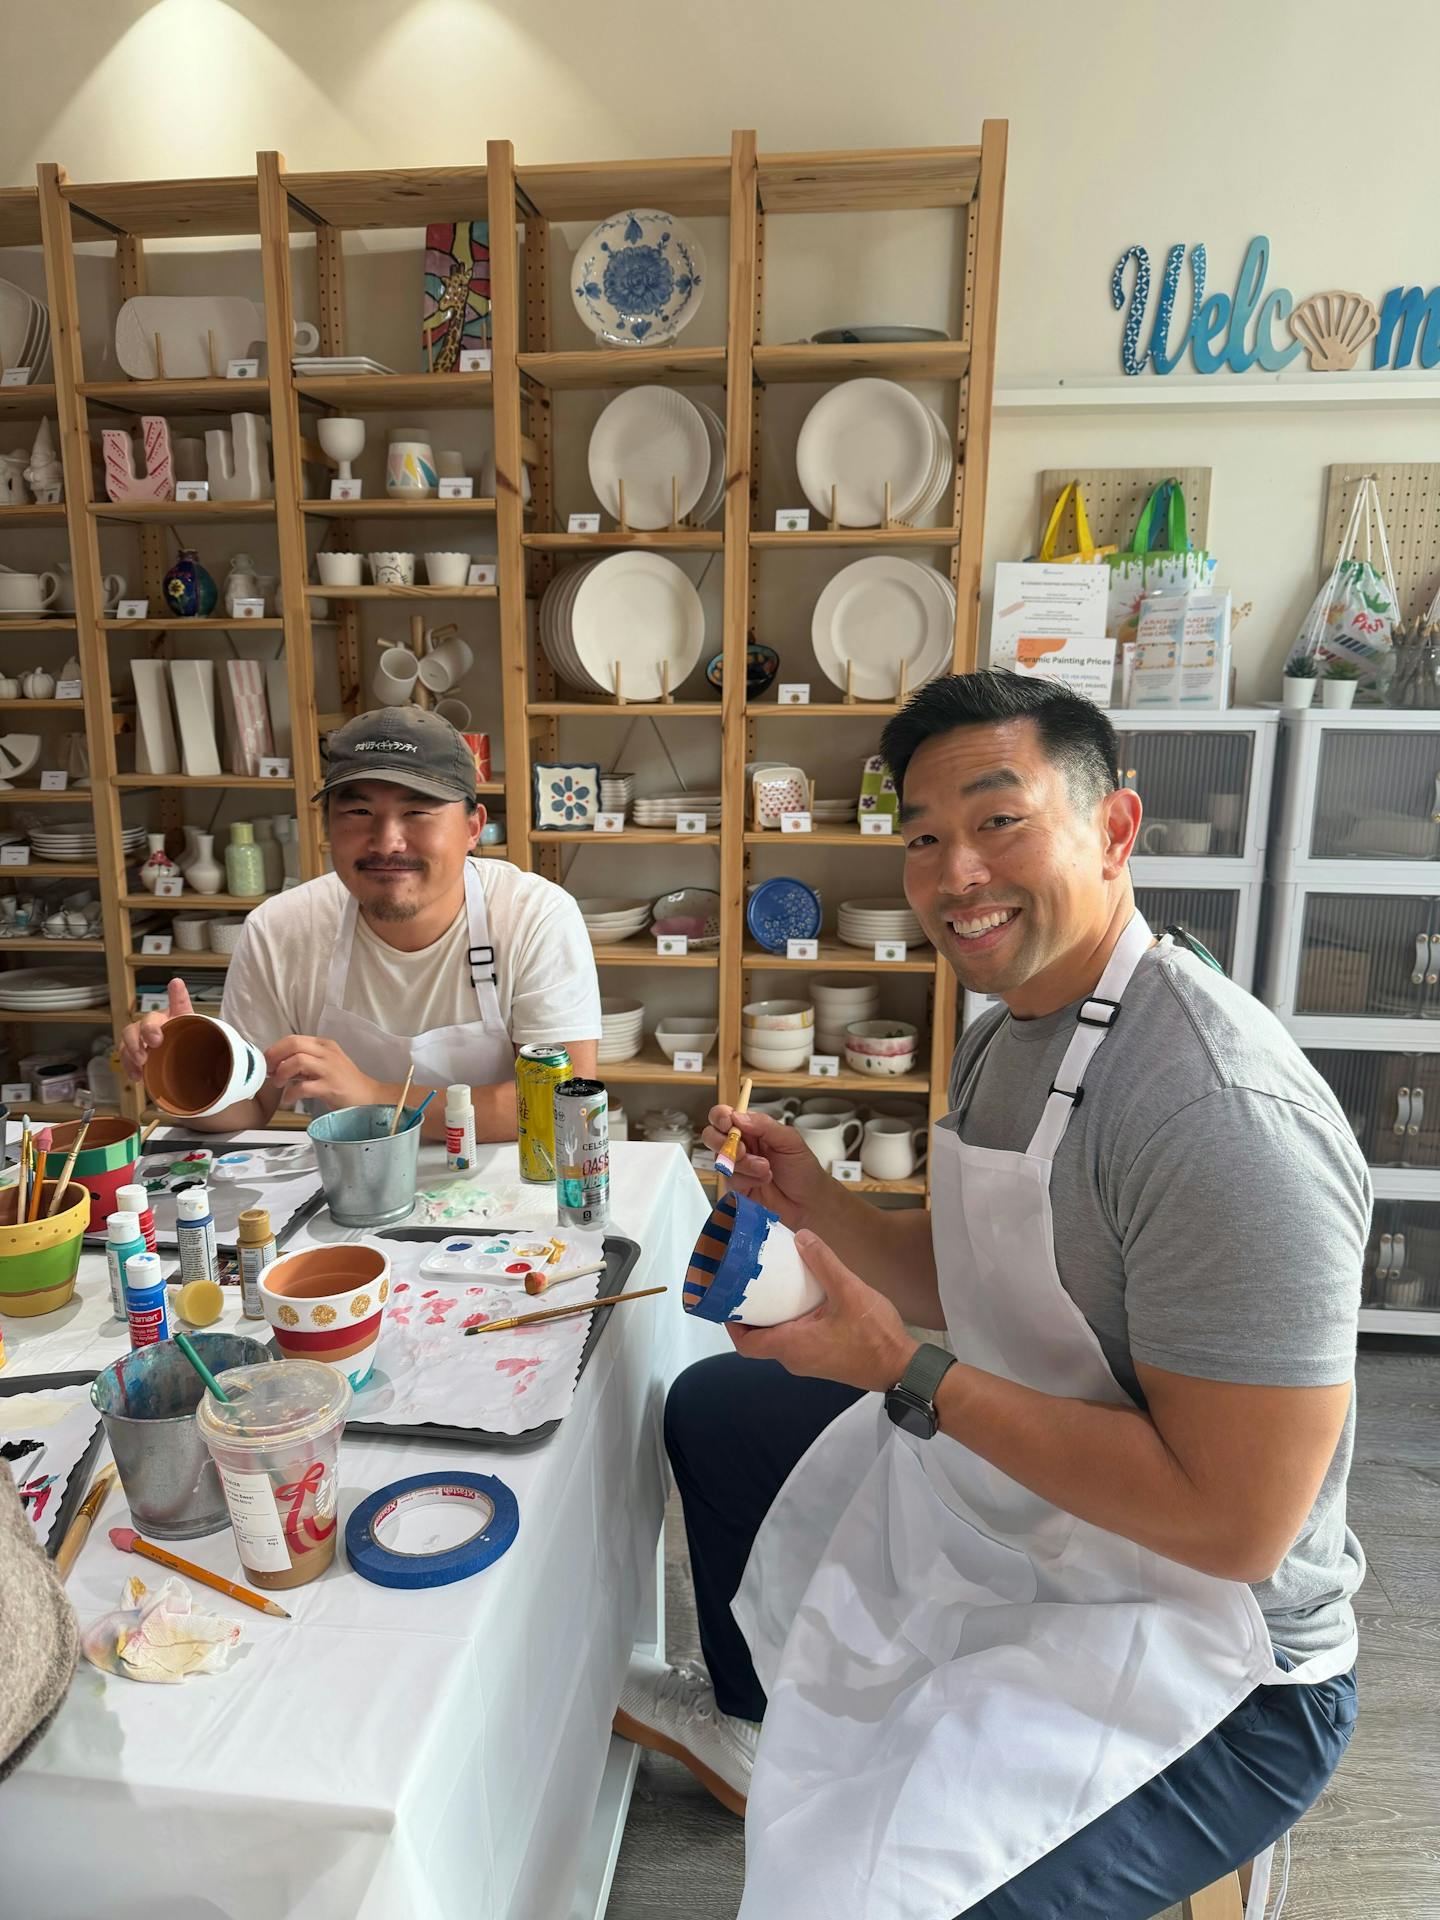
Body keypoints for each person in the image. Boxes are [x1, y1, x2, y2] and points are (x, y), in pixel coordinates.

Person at [617, 671, 1366, 1919]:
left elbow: (1234, 1526)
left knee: (873, 1897)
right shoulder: (1011, 1026)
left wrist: (903, 1370)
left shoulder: (1220, 1118)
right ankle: (754, 1728)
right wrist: (821, 1206)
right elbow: (980, 1267)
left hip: (1224, 1647)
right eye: (922, 838)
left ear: (1115, 829)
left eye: (999, 821)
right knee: (719, 1410)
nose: (954, 874)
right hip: (1034, 1491)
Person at [120, 708, 600, 1140]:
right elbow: (252, 1106)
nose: (387, 841)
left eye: (416, 812)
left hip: (506, 1184)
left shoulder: (532, 916)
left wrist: (373, 1096)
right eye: (359, 811)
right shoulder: (281, 928)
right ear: (328, 826)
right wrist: (185, 1068)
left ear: (472, 827)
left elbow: (562, 1104)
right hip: (347, 1187)